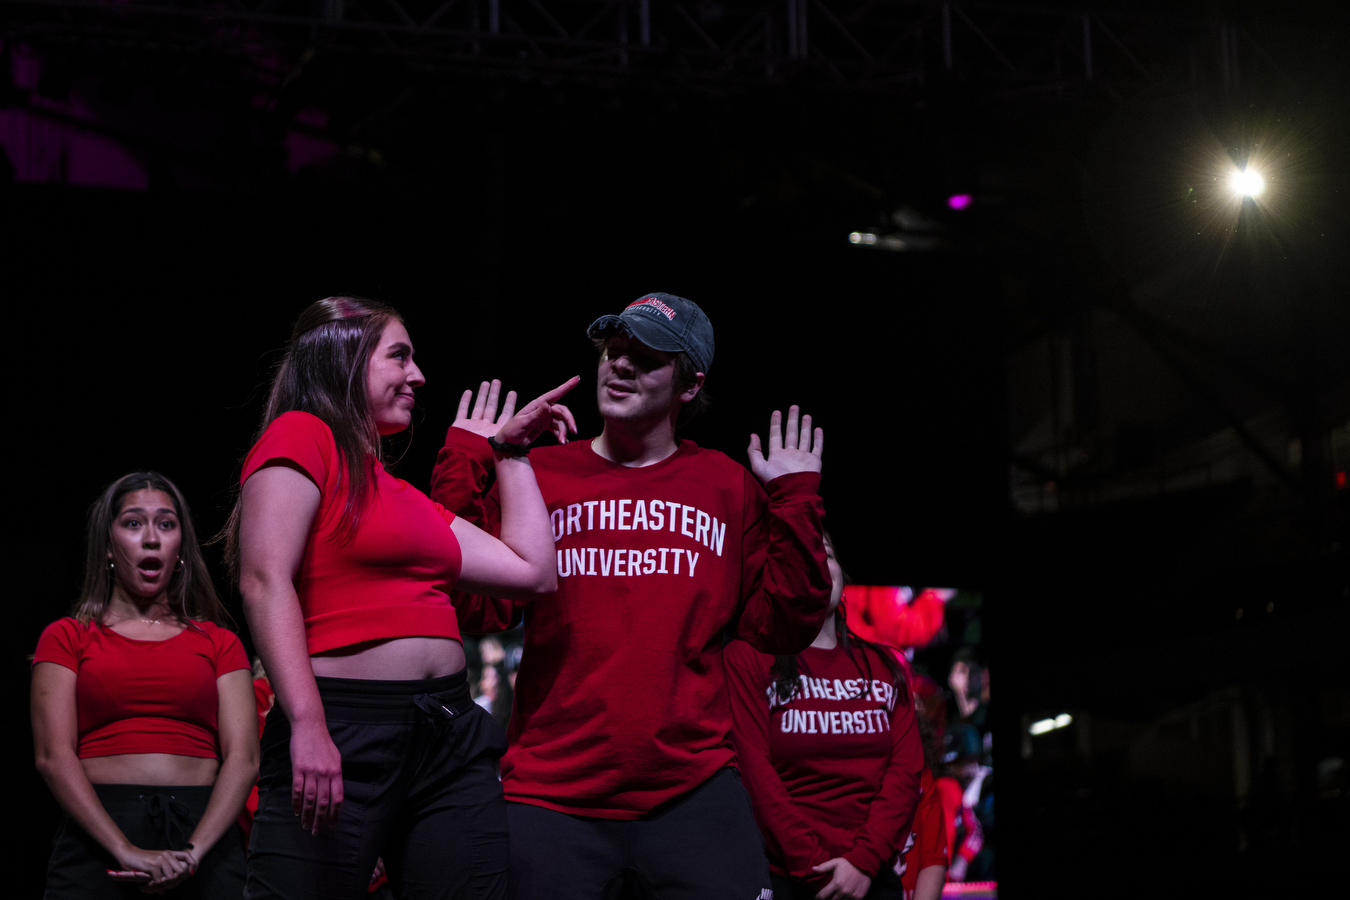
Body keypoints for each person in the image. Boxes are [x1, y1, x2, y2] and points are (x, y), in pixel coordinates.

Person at [430, 292, 832, 900]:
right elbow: (472, 604)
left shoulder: (724, 485)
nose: (620, 364)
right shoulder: (541, 473)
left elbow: (783, 627)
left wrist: (795, 501)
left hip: (690, 789)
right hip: (551, 791)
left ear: (690, 386)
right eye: (614, 350)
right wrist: (468, 460)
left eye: (646, 357)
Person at [226, 296, 573, 900]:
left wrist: (511, 455)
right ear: (346, 360)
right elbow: (263, 578)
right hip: (344, 726)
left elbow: (534, 573)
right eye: (400, 357)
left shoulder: (402, 496)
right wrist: (307, 722)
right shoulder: (302, 436)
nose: (418, 375)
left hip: (448, 737)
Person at [31, 472, 257, 898]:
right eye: (133, 523)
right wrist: (125, 849)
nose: (151, 538)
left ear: (180, 548)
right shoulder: (67, 637)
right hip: (99, 831)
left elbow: (243, 758)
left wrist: (193, 852)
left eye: (166, 524)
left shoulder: (219, 641)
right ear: (108, 545)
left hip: (204, 832)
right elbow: (51, 755)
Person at [725, 535, 925, 900]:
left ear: (842, 576)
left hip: (871, 877)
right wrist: (820, 873)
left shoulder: (886, 667)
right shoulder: (748, 658)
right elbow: (755, 776)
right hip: (787, 878)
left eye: (827, 553)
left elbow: (905, 773)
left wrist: (863, 863)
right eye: (804, 554)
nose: (818, 562)